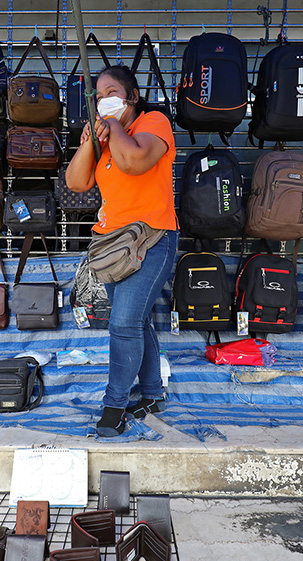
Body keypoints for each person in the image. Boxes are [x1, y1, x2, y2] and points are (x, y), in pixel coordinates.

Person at [65, 65, 179, 437]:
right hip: (113, 245)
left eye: (111, 93)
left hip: (152, 238)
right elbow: (76, 182)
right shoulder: (104, 136)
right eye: (98, 96)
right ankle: (152, 395)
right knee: (137, 322)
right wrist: (89, 142)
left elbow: (134, 162)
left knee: (124, 324)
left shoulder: (154, 123)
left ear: (132, 96)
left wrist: (113, 126)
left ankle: (113, 406)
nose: (103, 101)